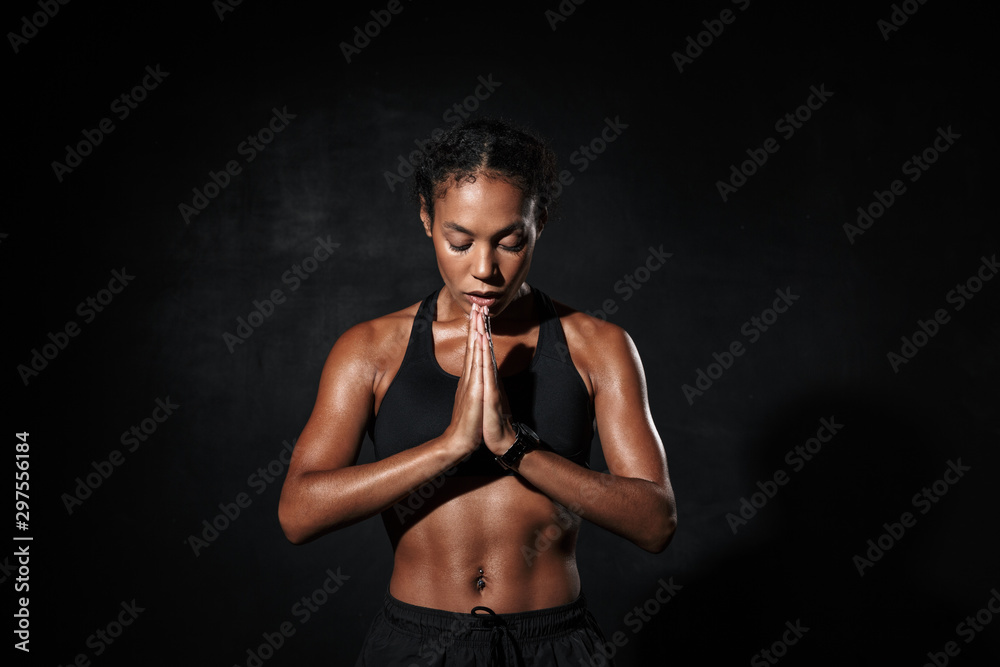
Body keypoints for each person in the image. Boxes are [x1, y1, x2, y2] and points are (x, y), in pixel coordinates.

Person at [278, 117, 677, 666]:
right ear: (426, 218)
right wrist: (449, 446)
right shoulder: (370, 350)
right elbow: (298, 514)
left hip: (552, 644)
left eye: (511, 242)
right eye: (459, 242)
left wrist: (515, 448)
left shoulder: (598, 348)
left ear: (539, 224)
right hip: (416, 644)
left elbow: (656, 524)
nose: (484, 270)